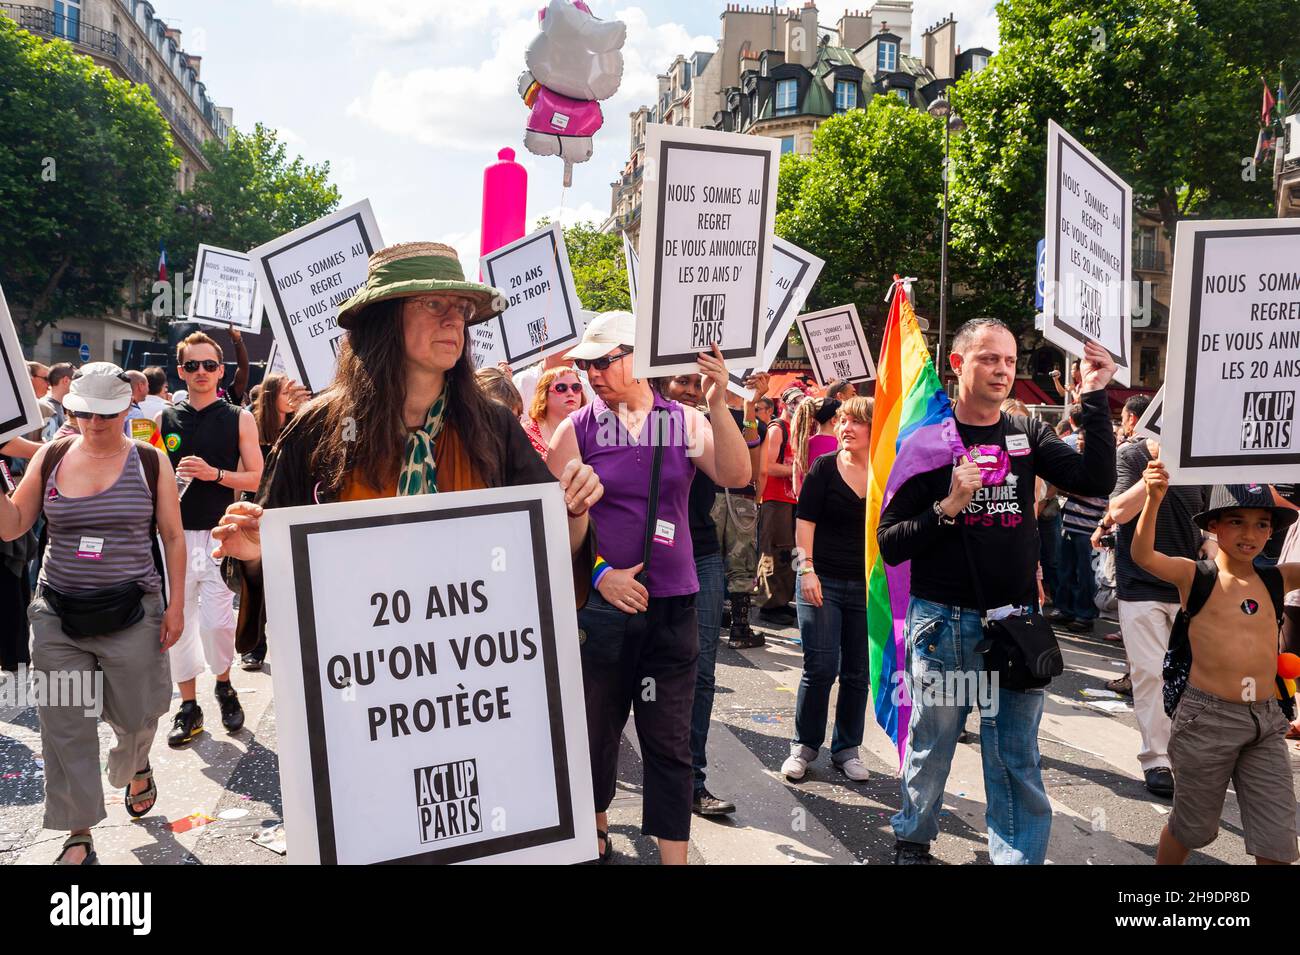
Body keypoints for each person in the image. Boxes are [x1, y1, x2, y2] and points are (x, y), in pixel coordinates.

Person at [212, 243, 603, 768]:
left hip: (473, 678)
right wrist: (255, 549)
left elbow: (550, 550)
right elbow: (273, 562)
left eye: (460, 310)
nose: (454, 321)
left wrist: (575, 512)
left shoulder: (493, 427)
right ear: (384, 320)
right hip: (361, 680)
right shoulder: (321, 428)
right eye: (432, 305)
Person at [878, 321, 1116, 865]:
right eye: (989, 359)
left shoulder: (1026, 431)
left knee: (1016, 756)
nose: (1003, 370)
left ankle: (1017, 857)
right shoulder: (926, 444)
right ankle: (912, 840)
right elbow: (891, 544)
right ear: (958, 365)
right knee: (933, 746)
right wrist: (948, 507)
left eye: (1009, 361)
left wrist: (1097, 395)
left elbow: (1096, 479)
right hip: (944, 626)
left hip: (1016, 627)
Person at [550, 311, 749, 864]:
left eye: (603, 360)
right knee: (596, 730)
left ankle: (673, 855)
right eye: (586, 363)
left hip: (673, 603)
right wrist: (599, 575)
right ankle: (595, 830)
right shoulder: (577, 429)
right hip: (603, 610)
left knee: (669, 739)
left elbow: (735, 475)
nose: (592, 373)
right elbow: (546, 529)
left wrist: (717, 400)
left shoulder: (682, 420)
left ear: (640, 358)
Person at [0, 363, 186, 864]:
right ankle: (77, 831)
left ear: (127, 408)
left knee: (139, 712)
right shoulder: (53, 455)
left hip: (134, 611)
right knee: (65, 723)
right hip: (58, 614)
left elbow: (171, 535)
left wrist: (176, 606)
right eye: (81, 412)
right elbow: (12, 524)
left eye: (104, 414)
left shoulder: (148, 460)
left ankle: (137, 762)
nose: (92, 423)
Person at [1133, 474, 1300, 865]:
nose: (1251, 533)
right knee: (1192, 827)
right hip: (1207, 720)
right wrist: (1155, 497)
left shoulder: (1279, 578)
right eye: (1237, 521)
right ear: (1213, 525)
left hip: (1266, 719)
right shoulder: (1197, 576)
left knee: (1278, 838)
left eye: (1262, 523)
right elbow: (1144, 556)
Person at [158, 332, 264, 746]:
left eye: (208, 365)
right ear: (180, 371)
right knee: (177, 623)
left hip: (220, 533)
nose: (200, 372)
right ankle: (188, 705)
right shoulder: (166, 418)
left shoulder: (238, 416)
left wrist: (214, 474)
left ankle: (223, 683)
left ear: (221, 371)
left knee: (219, 622)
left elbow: (257, 476)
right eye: (191, 365)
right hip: (175, 536)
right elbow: (151, 475)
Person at [1101, 396, 1209, 797]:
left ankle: (1184, 753)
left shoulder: (1198, 464)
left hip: (1187, 586)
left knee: (1189, 676)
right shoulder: (1131, 456)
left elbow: (1207, 525)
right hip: (1141, 583)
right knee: (1150, 671)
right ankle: (1156, 758)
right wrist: (1151, 481)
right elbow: (1117, 511)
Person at [782, 396, 873, 783]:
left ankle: (847, 749)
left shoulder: (885, 472)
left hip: (869, 589)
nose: (845, 428)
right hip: (822, 582)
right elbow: (803, 524)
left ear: (874, 428)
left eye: (855, 422)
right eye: (842, 421)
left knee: (858, 672)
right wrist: (806, 572)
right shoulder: (822, 467)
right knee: (820, 668)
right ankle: (804, 747)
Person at [235, 372, 307, 671]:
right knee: (259, 583)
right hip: (260, 515)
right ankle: (256, 647)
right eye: (284, 390)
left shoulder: (302, 425)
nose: (292, 393)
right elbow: (245, 475)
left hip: (293, 512)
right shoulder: (253, 428)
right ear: (271, 395)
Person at [714, 372, 769, 649]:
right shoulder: (753, 423)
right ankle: (739, 628)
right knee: (741, 564)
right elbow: (759, 469)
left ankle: (711, 623)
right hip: (741, 499)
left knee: (710, 559)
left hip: (712, 497)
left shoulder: (706, 416)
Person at [1053, 404, 1108, 633]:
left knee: (1085, 575)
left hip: (1087, 528)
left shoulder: (1103, 465)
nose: (1080, 444)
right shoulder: (1079, 460)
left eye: (1084, 442)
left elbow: (1096, 492)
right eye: (1080, 441)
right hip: (1070, 524)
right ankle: (1066, 609)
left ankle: (1084, 615)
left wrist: (1069, 488)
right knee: (1066, 570)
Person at [756, 387, 805, 625]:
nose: (798, 407)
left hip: (792, 500)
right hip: (775, 500)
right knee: (773, 552)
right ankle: (768, 604)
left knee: (788, 553)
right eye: (794, 402)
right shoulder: (778, 429)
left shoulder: (796, 430)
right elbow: (767, 466)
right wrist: (797, 471)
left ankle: (781, 601)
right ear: (785, 405)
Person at [521, 364, 587, 460]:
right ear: (544, 394)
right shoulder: (524, 435)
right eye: (561, 388)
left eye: (576, 387)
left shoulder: (592, 428)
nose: (570, 393)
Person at [791, 396, 840, 497]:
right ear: (834, 420)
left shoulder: (803, 445)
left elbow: (797, 488)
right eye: (843, 419)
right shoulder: (840, 446)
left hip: (807, 507)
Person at [42, 363, 74, 441]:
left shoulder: (59, 405)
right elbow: (50, 441)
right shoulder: (47, 407)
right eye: (75, 381)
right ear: (66, 380)